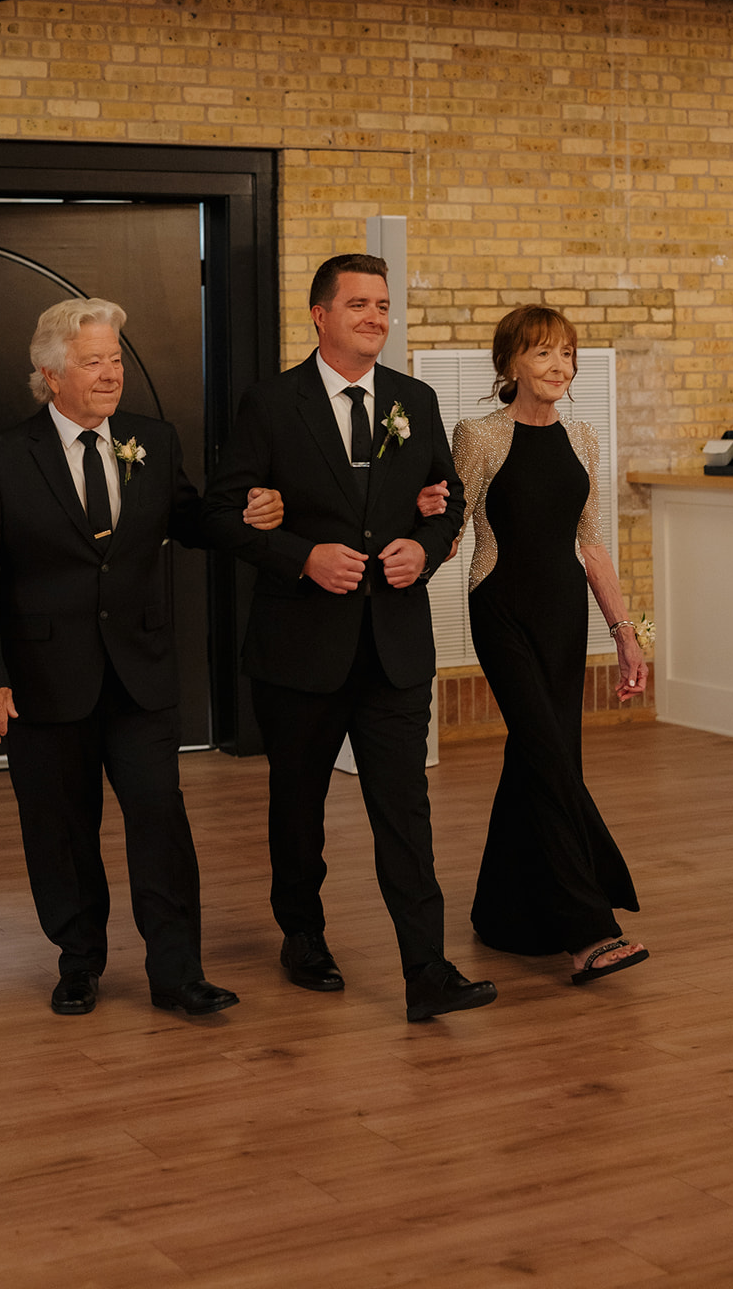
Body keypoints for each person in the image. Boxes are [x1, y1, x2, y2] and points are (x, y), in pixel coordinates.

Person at [0, 296, 282, 1018]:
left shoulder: (151, 441)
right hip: (41, 679)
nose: (110, 374)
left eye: (115, 360)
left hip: (140, 671)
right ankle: (79, 961)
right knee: (60, 827)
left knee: (160, 817)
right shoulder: (2, 456)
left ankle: (178, 973)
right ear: (51, 374)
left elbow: (188, 520)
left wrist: (244, 518)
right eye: (92, 361)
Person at [203, 253, 497, 1022]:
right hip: (300, 644)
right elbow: (226, 511)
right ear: (319, 314)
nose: (375, 317)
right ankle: (302, 934)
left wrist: (425, 548)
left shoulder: (414, 399)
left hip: (393, 644)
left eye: (382, 304)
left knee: (405, 810)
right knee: (296, 805)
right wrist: (301, 554)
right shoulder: (270, 404)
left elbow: (447, 497)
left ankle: (425, 971)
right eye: (359, 304)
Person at [447, 304, 650, 985]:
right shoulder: (478, 435)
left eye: (566, 354)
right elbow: (452, 529)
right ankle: (588, 929)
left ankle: (501, 913)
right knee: (547, 754)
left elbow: (590, 543)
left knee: (542, 756)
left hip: (566, 614)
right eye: (541, 354)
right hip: (500, 607)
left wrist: (624, 633)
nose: (558, 367)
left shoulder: (584, 439)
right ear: (510, 365)